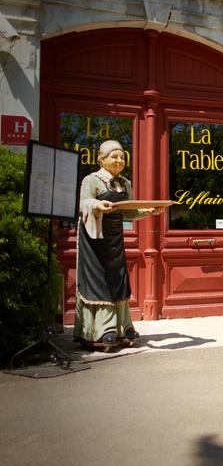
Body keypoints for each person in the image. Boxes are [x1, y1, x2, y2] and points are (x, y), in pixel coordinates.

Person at [74, 139, 164, 349]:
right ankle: (100, 329)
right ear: (102, 159)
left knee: (118, 278)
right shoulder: (92, 180)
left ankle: (122, 326)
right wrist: (97, 204)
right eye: (114, 156)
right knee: (99, 280)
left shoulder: (125, 183)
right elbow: (81, 204)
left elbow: (129, 211)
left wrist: (149, 211)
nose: (119, 160)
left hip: (115, 239)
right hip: (94, 238)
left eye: (122, 156)